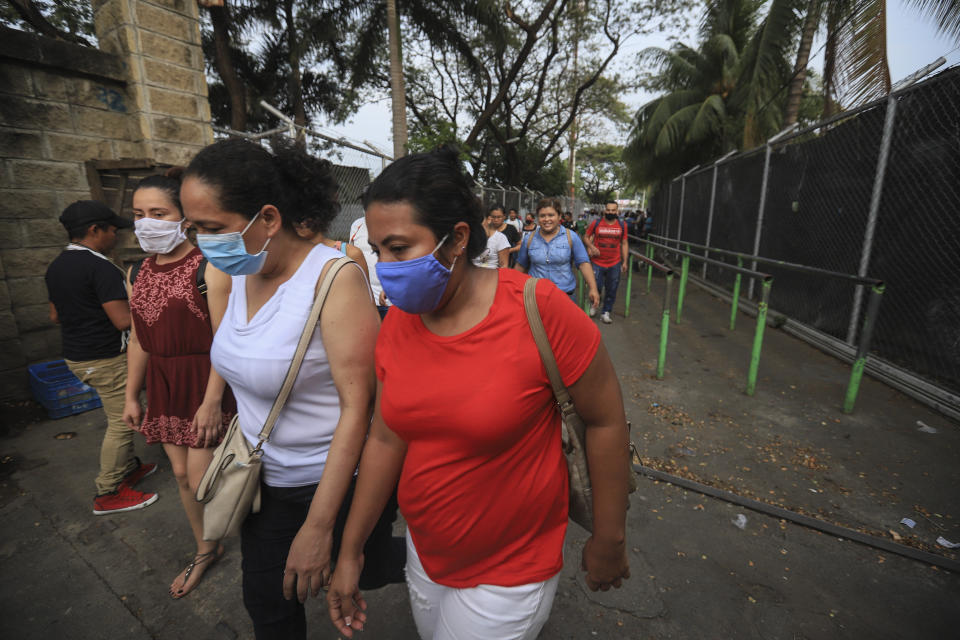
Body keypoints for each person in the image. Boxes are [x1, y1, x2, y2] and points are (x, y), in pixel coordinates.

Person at [326, 147, 631, 640]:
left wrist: (609, 537)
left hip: (513, 566)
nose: (383, 265)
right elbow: (385, 437)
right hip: (426, 552)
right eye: (377, 249)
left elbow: (605, 422)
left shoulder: (540, 310)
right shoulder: (398, 325)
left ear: (456, 240)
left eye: (399, 248)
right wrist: (351, 548)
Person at [180, 137, 402, 639]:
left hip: (333, 481)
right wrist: (210, 406)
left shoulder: (333, 278)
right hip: (262, 479)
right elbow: (231, 355)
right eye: (193, 228)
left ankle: (429, 563)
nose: (201, 242)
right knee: (268, 603)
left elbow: (357, 407)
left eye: (214, 228)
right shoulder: (230, 273)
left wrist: (321, 527)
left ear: (269, 219)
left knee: (364, 567)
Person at [121, 169, 237, 598]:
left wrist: (212, 401)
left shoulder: (210, 267)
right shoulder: (135, 271)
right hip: (163, 381)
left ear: (183, 217)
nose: (146, 222)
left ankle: (250, 529)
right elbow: (139, 337)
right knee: (182, 474)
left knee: (200, 472)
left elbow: (225, 340)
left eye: (158, 212)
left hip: (207, 378)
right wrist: (133, 395)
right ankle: (206, 548)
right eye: (138, 214)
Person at [45, 200, 158, 515]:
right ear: (94, 230)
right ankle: (108, 491)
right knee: (121, 423)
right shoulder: (100, 266)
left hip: (77, 356)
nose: (115, 236)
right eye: (112, 230)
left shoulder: (57, 266)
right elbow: (123, 321)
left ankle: (128, 467)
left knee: (121, 415)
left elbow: (55, 315)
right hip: (105, 358)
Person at [515, 197, 599, 309]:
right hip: (535, 297)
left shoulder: (571, 237)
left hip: (565, 296)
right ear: (537, 218)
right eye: (542, 216)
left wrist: (593, 288)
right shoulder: (529, 239)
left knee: (566, 327)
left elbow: (584, 263)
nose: (546, 219)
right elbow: (521, 266)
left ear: (559, 216)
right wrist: (513, 289)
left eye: (551, 215)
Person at [583, 201, 629, 324]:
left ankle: (606, 312)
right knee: (596, 286)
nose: (610, 212)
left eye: (613, 210)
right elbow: (586, 237)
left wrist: (625, 261)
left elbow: (624, 243)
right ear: (604, 210)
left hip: (614, 262)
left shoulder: (622, 225)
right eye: (608, 210)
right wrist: (591, 247)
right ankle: (594, 305)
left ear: (617, 211)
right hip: (597, 262)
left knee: (612, 288)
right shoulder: (596, 223)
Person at [293, 215, 370, 282]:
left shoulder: (350, 253)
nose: (300, 223)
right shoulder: (289, 256)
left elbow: (366, 296)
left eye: (304, 216)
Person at [349, 216, 390, 319]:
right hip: (364, 301)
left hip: (390, 302)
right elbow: (352, 257)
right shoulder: (357, 224)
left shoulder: (397, 222)